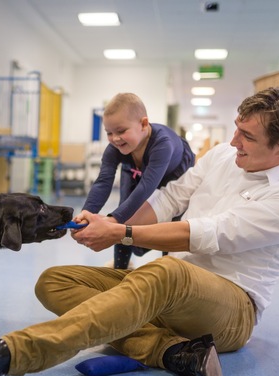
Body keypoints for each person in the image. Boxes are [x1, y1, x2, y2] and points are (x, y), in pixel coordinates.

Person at [0, 87, 279, 376]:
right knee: (55, 281)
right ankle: (172, 352)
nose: (234, 141)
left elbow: (204, 235)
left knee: (166, 270)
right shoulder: (221, 157)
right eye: (236, 128)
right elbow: (169, 199)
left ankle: (6, 356)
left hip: (233, 307)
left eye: (247, 136)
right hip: (175, 288)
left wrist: (122, 232)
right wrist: (108, 221)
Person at [81, 93, 195, 269]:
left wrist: (112, 221)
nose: (115, 138)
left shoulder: (162, 144)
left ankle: (169, 269)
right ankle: (120, 269)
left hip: (173, 174)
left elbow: (147, 186)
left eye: (121, 131)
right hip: (137, 171)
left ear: (143, 124)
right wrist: (87, 213)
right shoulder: (116, 147)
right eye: (109, 133)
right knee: (124, 214)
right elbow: (104, 180)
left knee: (170, 222)